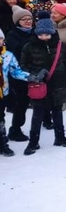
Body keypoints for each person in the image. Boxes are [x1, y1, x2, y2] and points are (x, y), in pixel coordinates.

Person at [19, 12, 66, 155]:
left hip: (58, 85)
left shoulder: (62, 46)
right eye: (40, 35)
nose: (44, 38)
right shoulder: (29, 47)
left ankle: (60, 137)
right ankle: (33, 142)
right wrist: (37, 72)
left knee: (57, 112)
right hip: (39, 86)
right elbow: (23, 65)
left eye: (47, 35)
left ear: (52, 33)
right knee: (38, 114)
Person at [0, 28, 35, 156]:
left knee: (1, 118)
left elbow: (16, 72)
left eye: (0, 38)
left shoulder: (8, 55)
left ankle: (2, 144)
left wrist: (30, 76)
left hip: (3, 93)